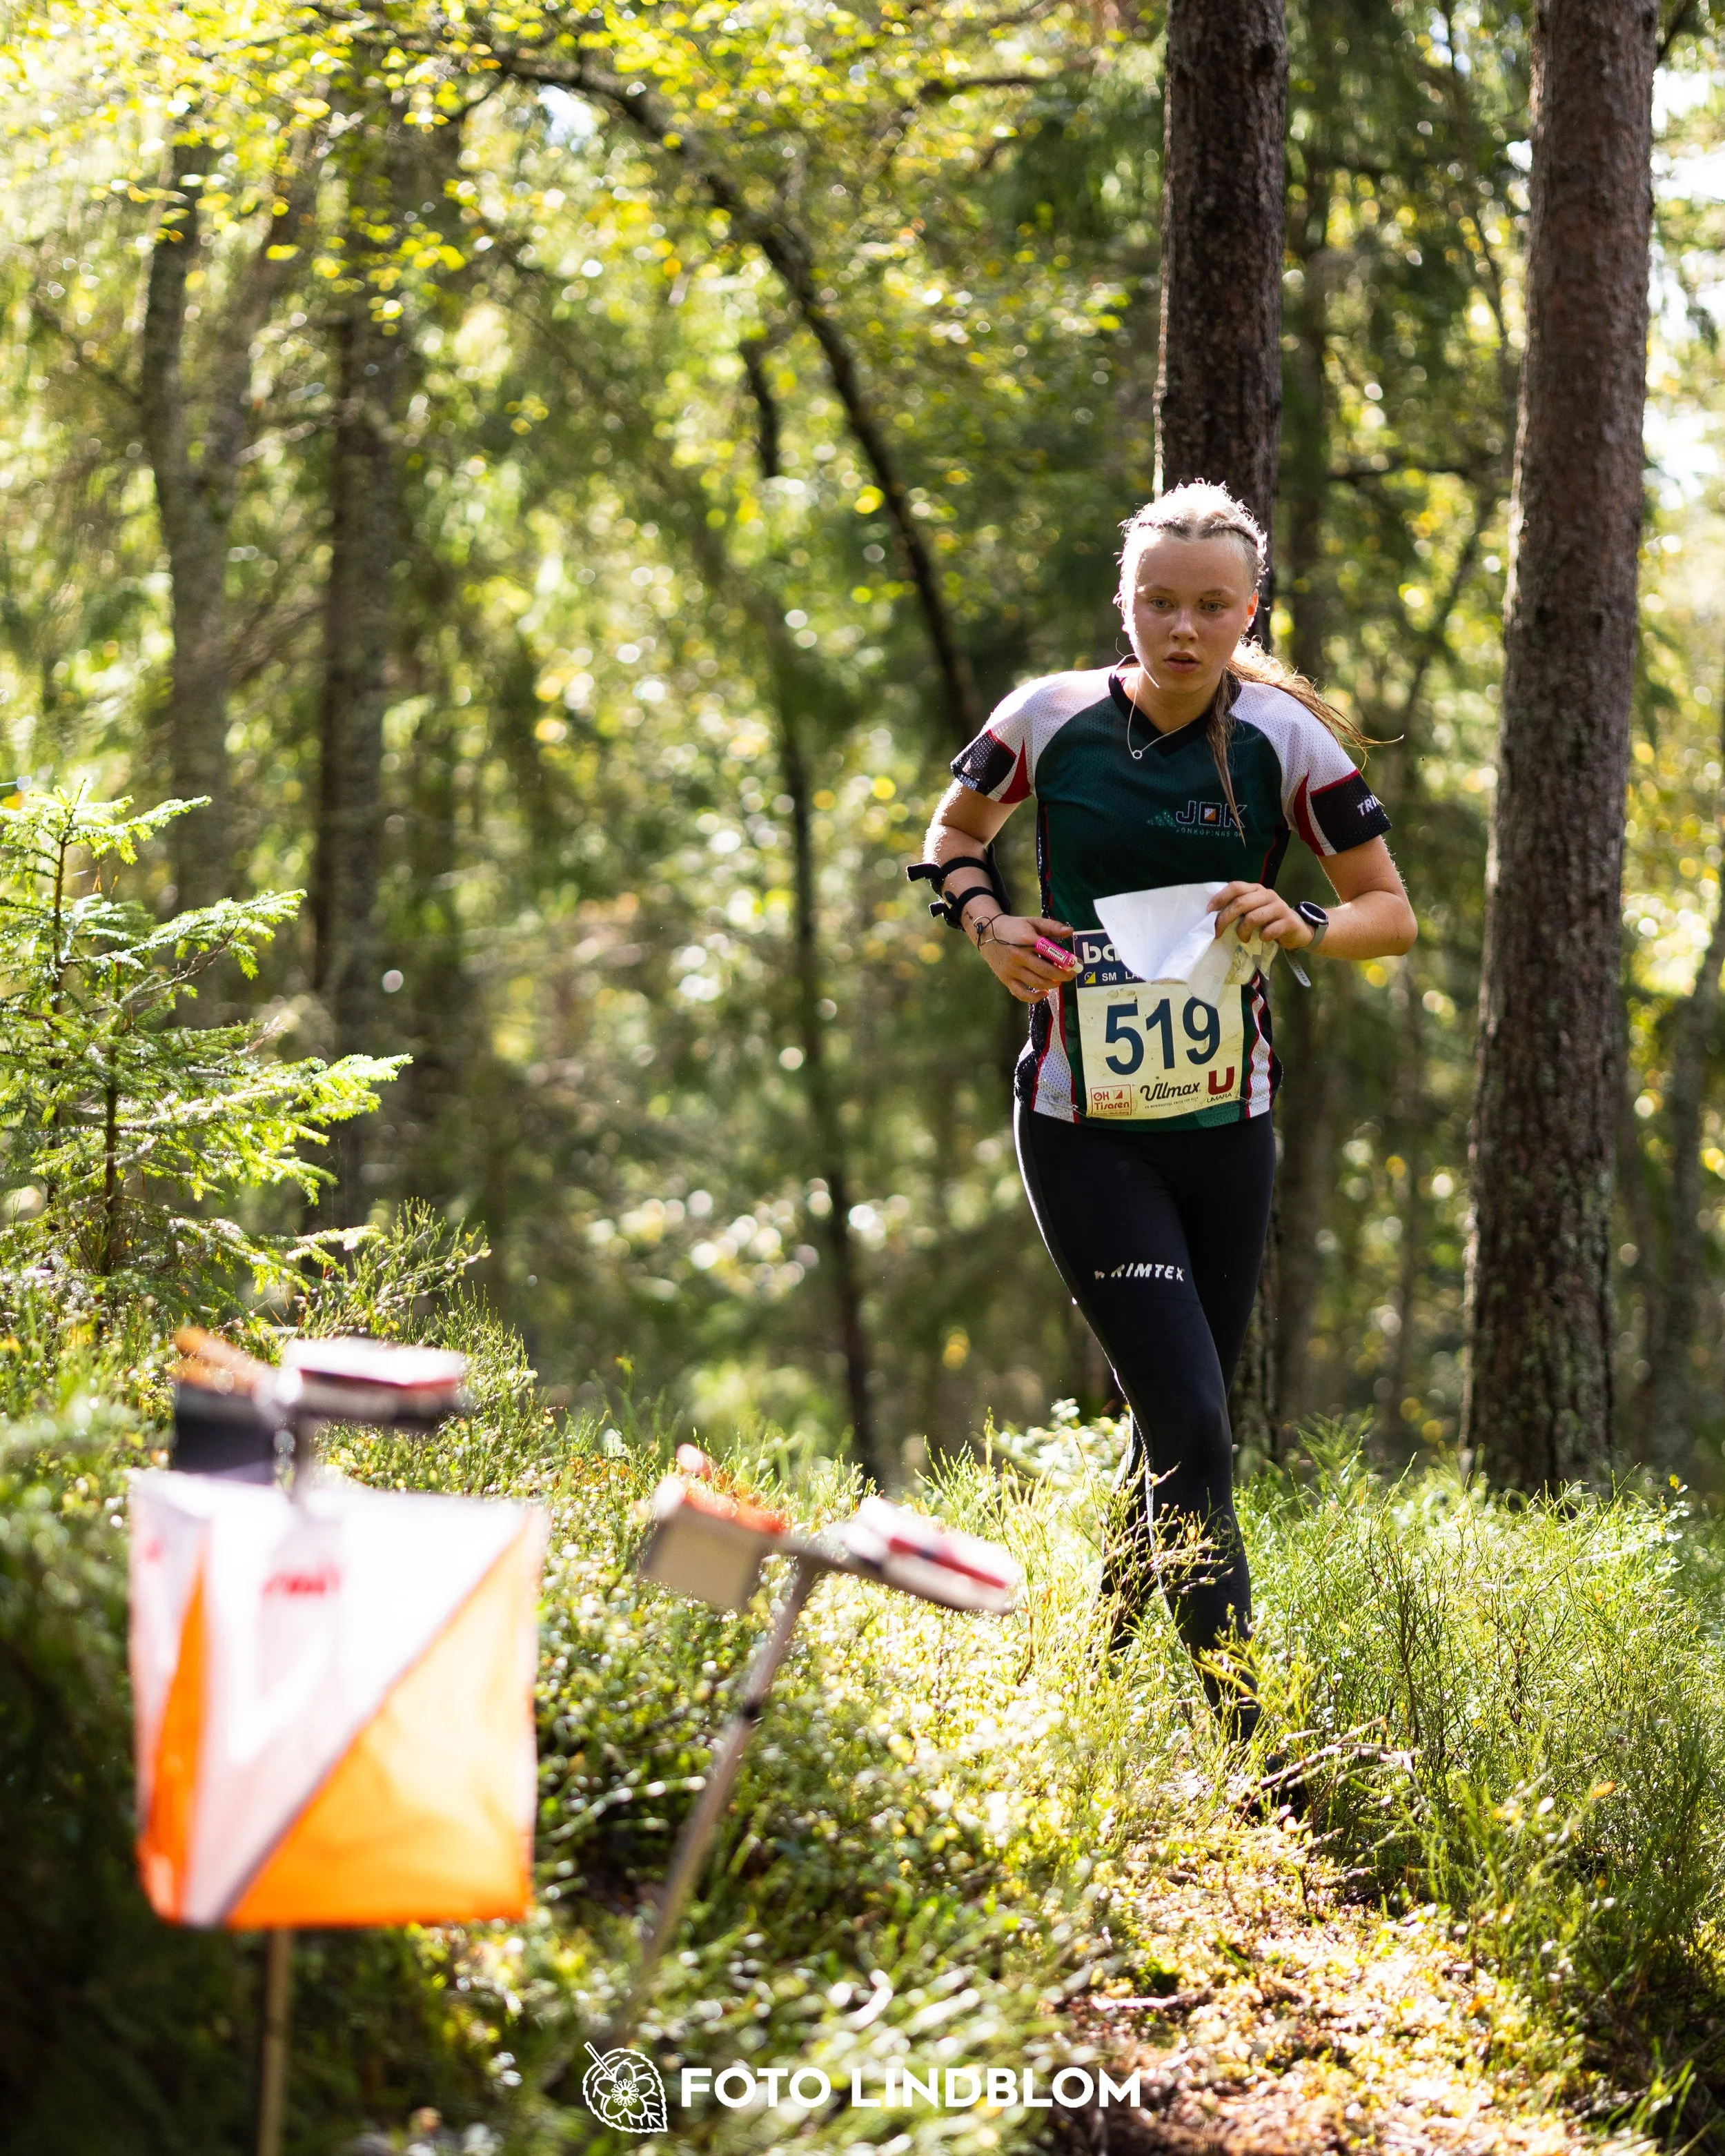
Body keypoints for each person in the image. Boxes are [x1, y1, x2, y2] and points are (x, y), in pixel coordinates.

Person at [913, 481, 1416, 1731]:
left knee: (1171, 1423)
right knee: (1192, 1416)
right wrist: (987, 925)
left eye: (1211, 605)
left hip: (1227, 1128)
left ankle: (1089, 1691)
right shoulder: (1047, 717)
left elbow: (1390, 916)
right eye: (1159, 602)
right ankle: (1254, 1752)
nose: (1183, 628)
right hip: (1082, 1128)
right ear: (1124, 604)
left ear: (1250, 611)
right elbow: (952, 836)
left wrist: (1301, 921)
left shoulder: (1288, 742)